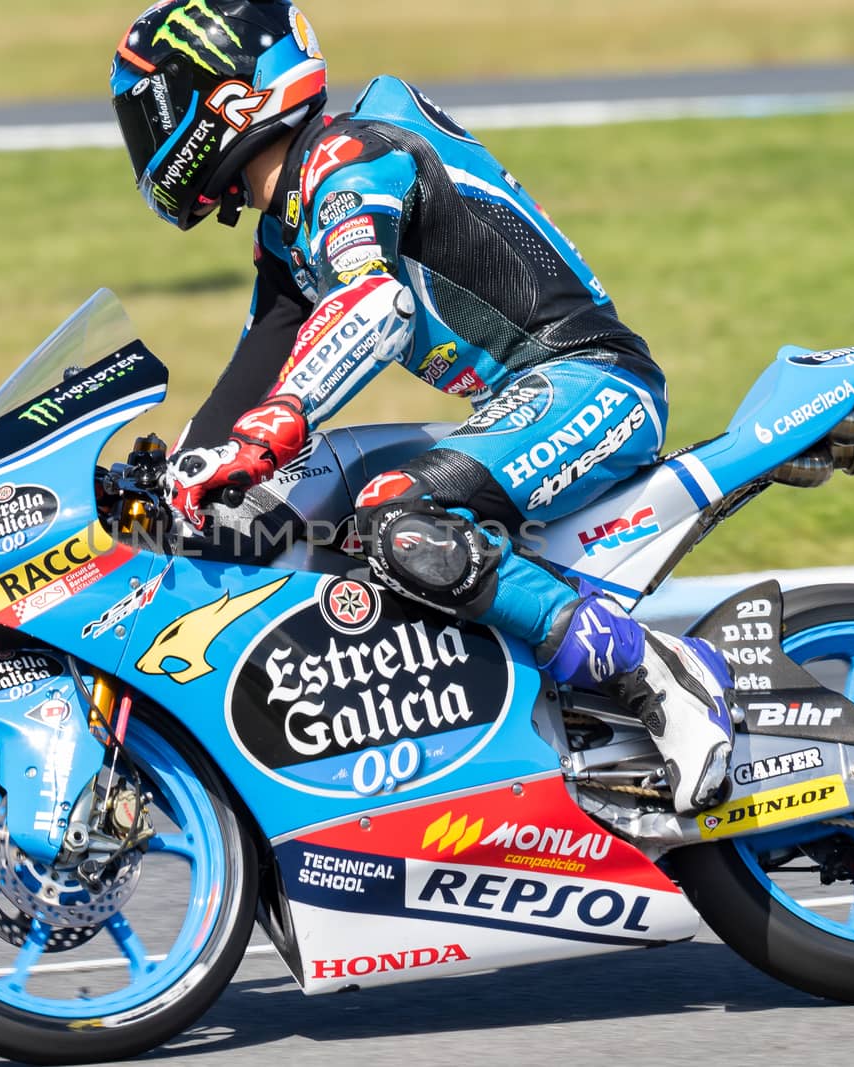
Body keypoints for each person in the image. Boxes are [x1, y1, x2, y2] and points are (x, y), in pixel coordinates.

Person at [110, 0, 734, 813]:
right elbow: (246, 392)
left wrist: (271, 431)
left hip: (593, 383)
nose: (142, 139)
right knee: (288, 515)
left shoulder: (352, 159)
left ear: (219, 102)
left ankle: (657, 671)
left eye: (148, 111)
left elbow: (372, 309)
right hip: (519, 404)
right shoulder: (288, 234)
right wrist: (164, 490)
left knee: (395, 518)